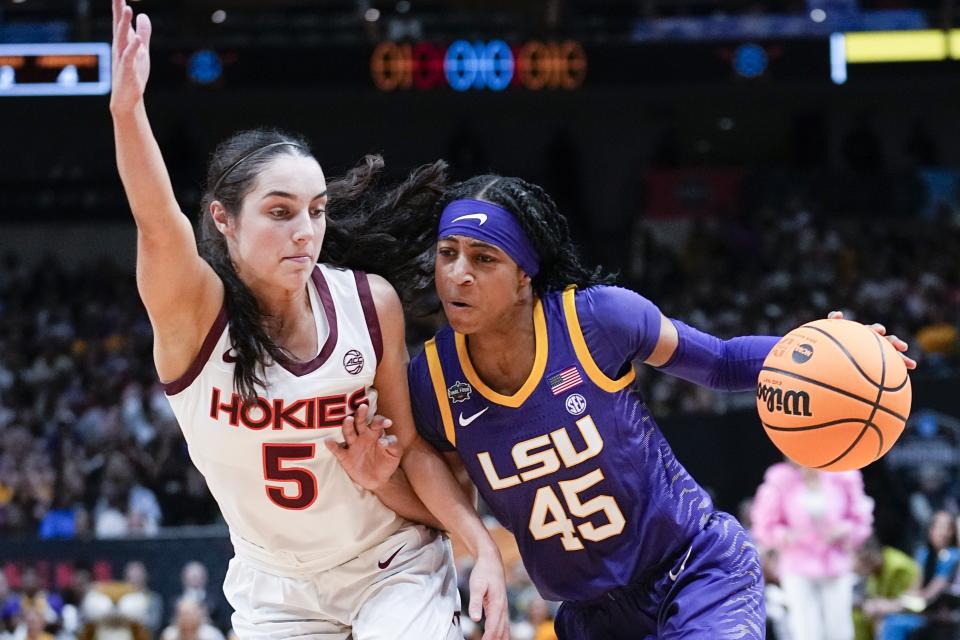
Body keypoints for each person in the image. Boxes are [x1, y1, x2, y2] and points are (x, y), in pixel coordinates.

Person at [326, 164, 916, 639]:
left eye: (484, 259)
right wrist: (444, 521)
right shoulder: (432, 379)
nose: (457, 274)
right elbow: (432, 473)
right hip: (590, 615)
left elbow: (723, 361)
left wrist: (831, 350)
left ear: (526, 274)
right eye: (447, 252)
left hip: (694, 570)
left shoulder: (597, 320)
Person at [107, 1, 507, 638]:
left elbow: (412, 456)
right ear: (223, 220)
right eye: (280, 212)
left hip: (391, 564)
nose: (305, 233)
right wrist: (127, 112)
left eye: (316, 211)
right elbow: (158, 224)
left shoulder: (369, 304)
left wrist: (480, 545)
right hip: (277, 589)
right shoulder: (193, 319)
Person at [750, 460, 875, 640]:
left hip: (835, 564)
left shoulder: (843, 477)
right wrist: (786, 535)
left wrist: (844, 529)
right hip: (797, 565)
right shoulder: (781, 480)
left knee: (839, 629)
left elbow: (860, 520)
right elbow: (764, 526)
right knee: (805, 629)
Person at [852, 536, 919, 640]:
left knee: (890, 623)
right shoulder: (874, 571)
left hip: (906, 614)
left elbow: (911, 602)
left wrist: (883, 606)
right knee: (857, 617)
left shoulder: (898, 567)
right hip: (884, 613)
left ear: (867, 556)